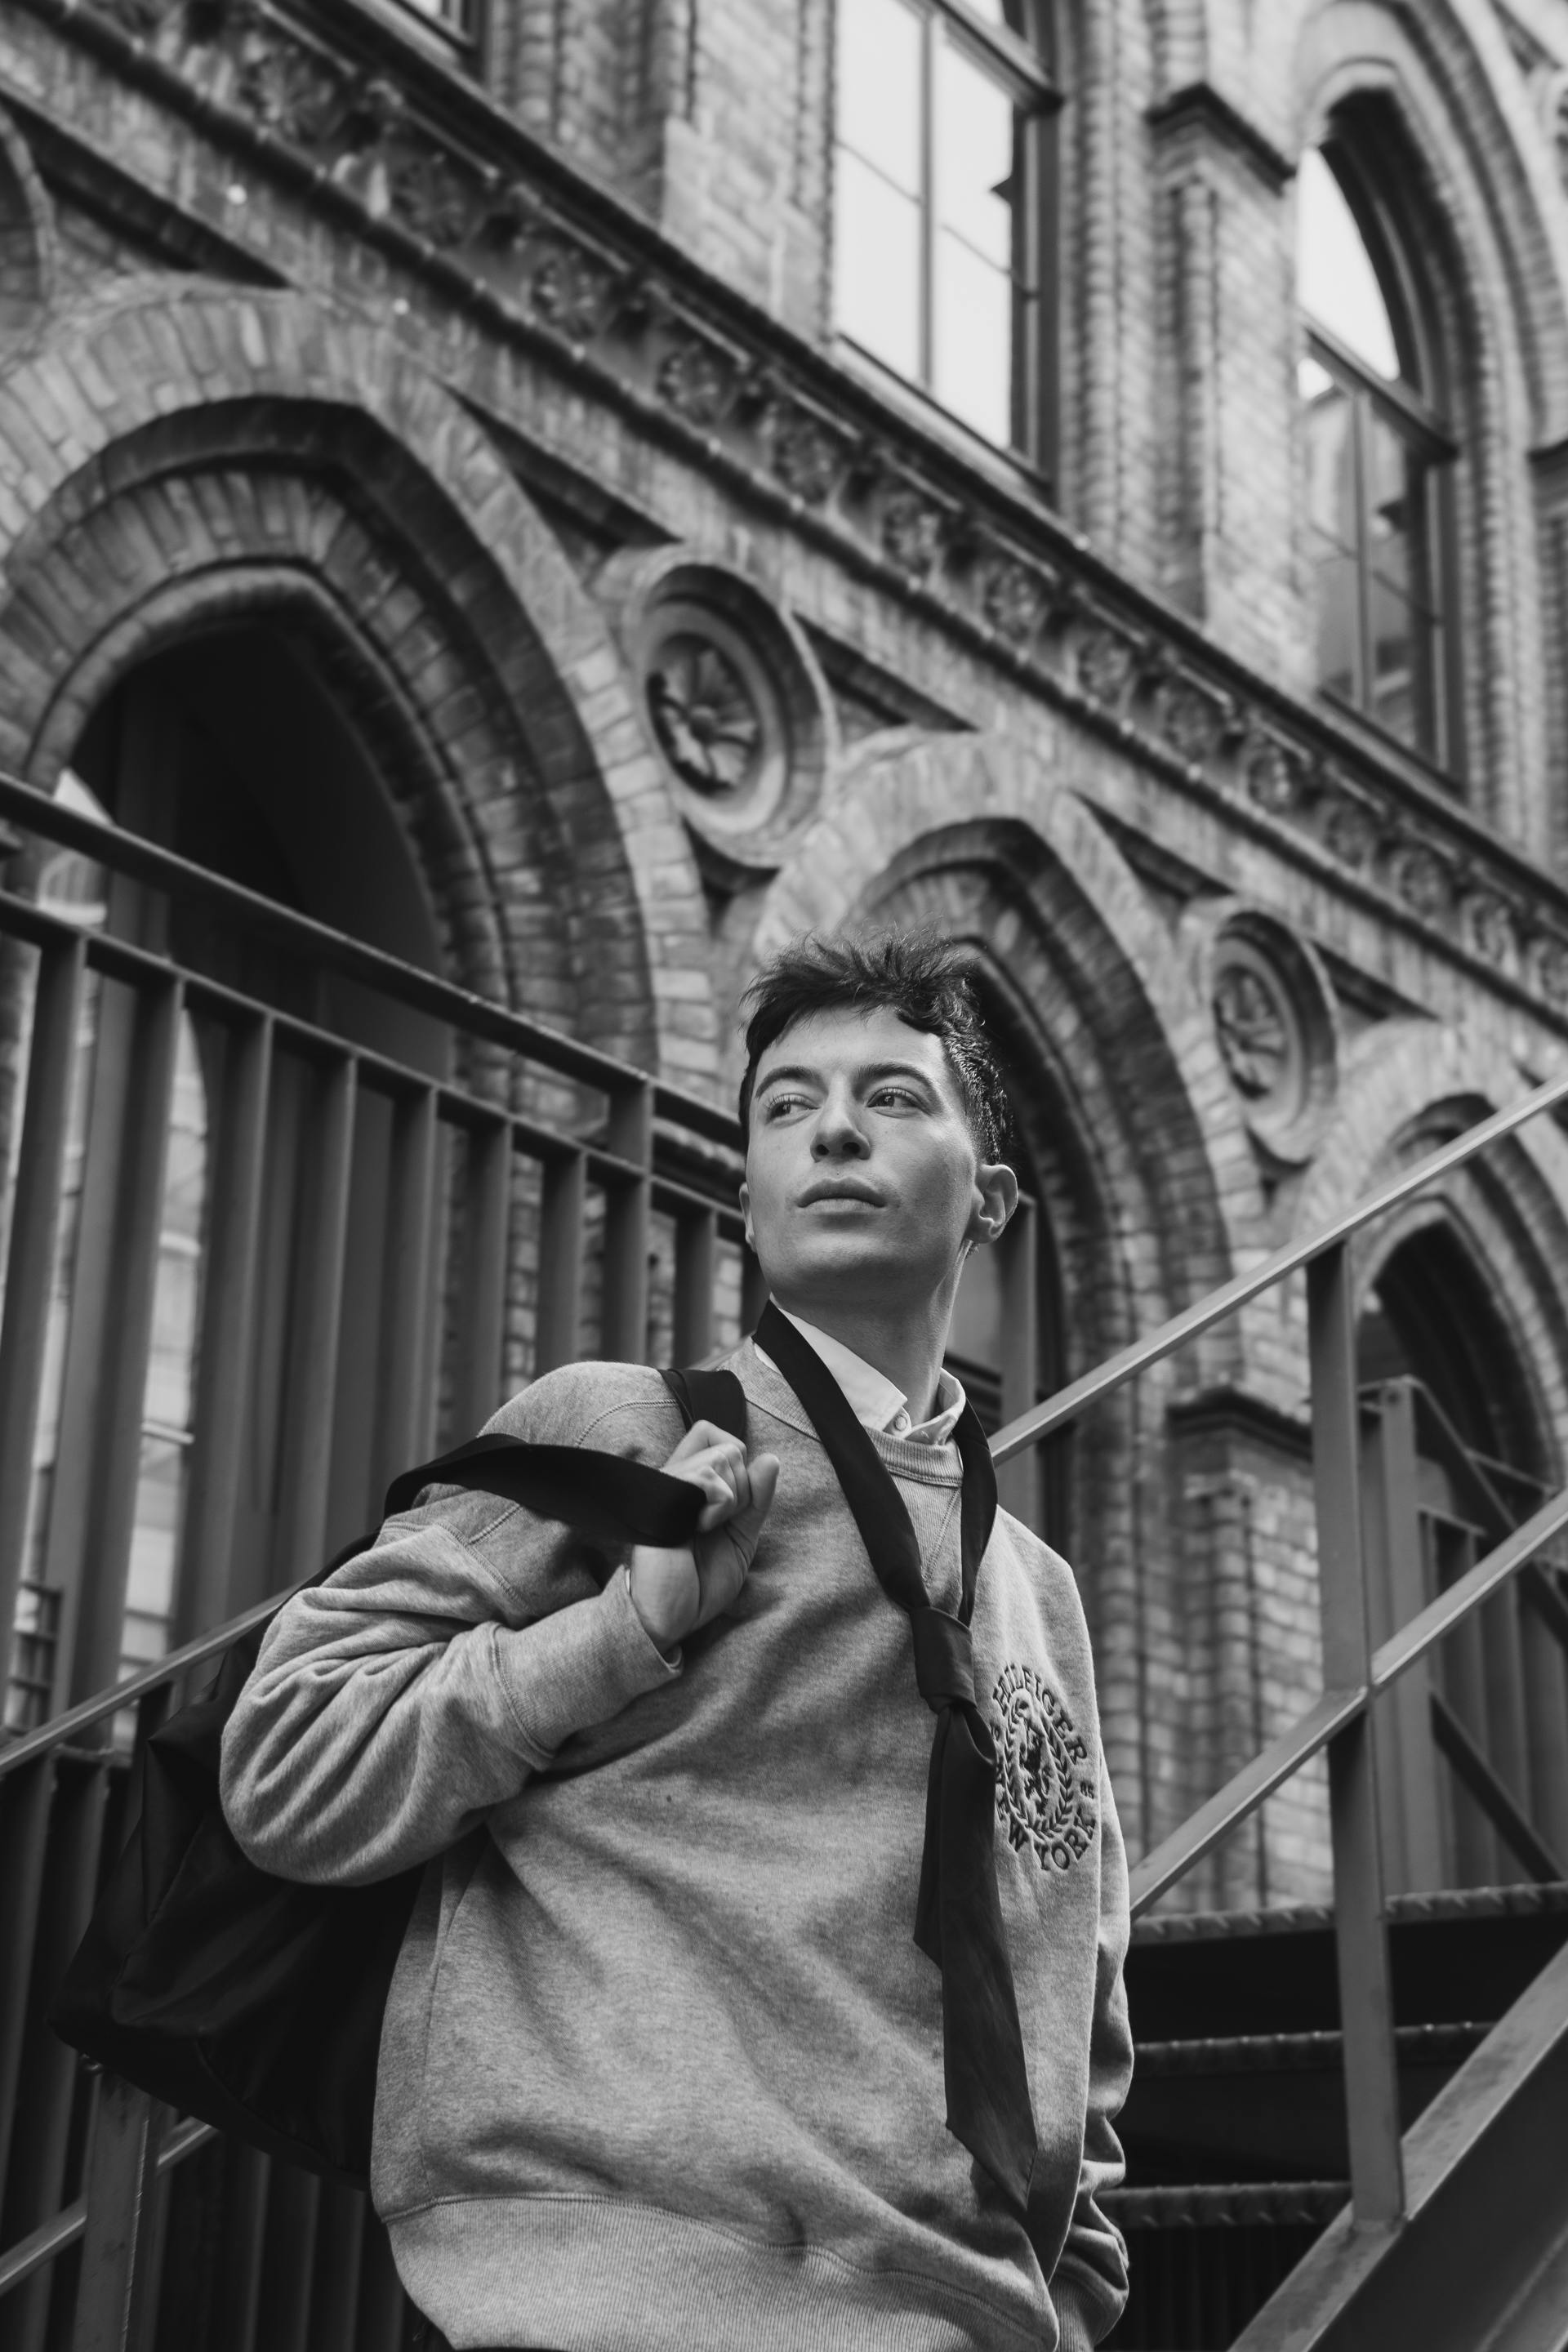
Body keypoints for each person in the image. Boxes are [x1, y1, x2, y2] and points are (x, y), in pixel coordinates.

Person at [220, 929, 1132, 2352]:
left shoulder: (1037, 1586)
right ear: (751, 1195)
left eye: (894, 1097)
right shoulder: (627, 1428)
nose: (832, 1127)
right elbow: (290, 1766)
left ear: (992, 1199)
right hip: (615, 2289)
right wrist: (619, 1631)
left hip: (957, 2319)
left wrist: (1069, 2292)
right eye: (786, 1106)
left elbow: (1080, 1957)